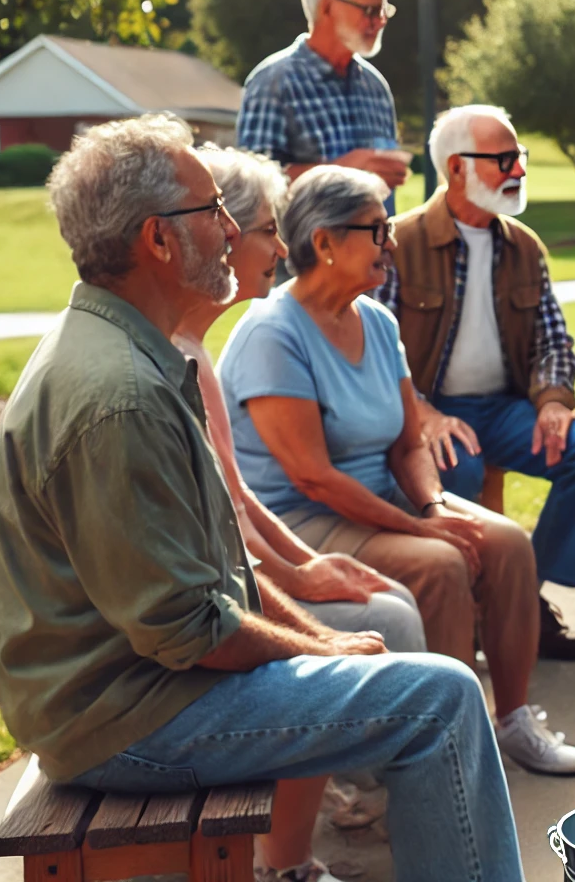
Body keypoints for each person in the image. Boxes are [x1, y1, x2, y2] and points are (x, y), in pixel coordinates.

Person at [0, 116, 523, 881]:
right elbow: (189, 632)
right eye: (213, 213)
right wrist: (321, 647)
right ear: (158, 241)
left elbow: (216, 573)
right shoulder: (121, 396)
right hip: (123, 719)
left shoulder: (129, 353)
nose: (234, 228)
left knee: (420, 680)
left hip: (129, 693)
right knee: (441, 701)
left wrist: (329, 641)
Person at [218, 164, 575, 776]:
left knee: (506, 544)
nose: (390, 243)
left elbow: (407, 441)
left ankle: (513, 722)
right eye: (377, 229)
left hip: (381, 499)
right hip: (300, 520)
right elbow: (312, 476)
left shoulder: (377, 319)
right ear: (326, 243)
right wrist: (424, 533)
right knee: (441, 565)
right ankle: (441, 754)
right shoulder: (272, 332)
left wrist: (435, 508)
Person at [172, 145, 424, 881]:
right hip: (173, 654)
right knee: (384, 623)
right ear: (197, 234)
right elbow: (211, 562)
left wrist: (307, 569)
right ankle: (322, 835)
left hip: (235, 579)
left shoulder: (196, 352)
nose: (280, 249)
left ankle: (318, 834)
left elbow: (235, 505)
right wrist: (303, 607)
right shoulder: (188, 357)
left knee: (389, 607)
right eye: (260, 228)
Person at [378, 105, 575, 662]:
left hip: (507, 411)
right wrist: (423, 414)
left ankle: (524, 600)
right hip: (431, 412)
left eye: (520, 158)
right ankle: (467, 610)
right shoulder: (399, 243)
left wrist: (554, 402)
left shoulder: (525, 246)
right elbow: (375, 350)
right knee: (454, 469)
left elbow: (554, 339)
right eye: (504, 159)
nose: (519, 171)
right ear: (457, 167)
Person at [237, 0, 409, 207]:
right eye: (371, 10)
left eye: (384, 10)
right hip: (302, 247)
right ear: (327, 7)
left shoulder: (376, 86)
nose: (380, 22)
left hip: (374, 245)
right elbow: (251, 191)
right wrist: (343, 170)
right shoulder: (273, 83)